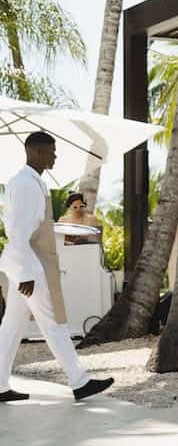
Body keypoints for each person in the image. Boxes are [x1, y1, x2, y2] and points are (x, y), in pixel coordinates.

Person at [0, 133, 114, 404]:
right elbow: (18, 231)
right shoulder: (26, 184)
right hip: (30, 266)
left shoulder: (30, 182)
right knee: (53, 323)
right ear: (37, 153)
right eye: (52, 151)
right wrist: (26, 272)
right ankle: (79, 381)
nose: (55, 156)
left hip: (27, 264)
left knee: (11, 327)